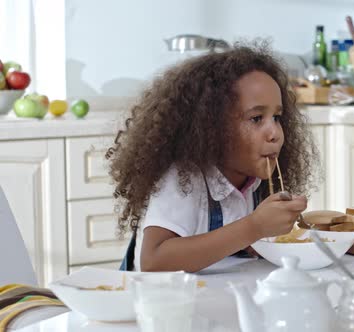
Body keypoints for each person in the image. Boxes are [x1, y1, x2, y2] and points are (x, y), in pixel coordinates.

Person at [106, 43, 318, 272]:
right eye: (256, 118)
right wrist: (254, 227)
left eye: (276, 117)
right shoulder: (184, 178)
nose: (275, 133)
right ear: (212, 127)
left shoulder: (253, 180)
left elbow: (230, 244)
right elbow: (154, 261)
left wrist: (258, 241)